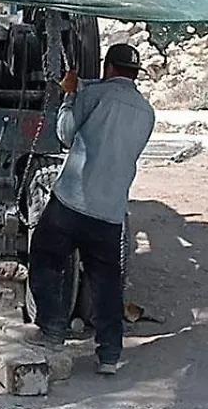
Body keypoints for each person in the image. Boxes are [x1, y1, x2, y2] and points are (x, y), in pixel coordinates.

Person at [26, 43, 155, 375]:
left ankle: (53, 329)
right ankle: (109, 355)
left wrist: (69, 96)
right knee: (107, 285)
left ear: (108, 68)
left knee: (44, 258)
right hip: (110, 211)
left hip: (72, 201)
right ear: (134, 74)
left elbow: (66, 135)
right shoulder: (147, 112)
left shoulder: (95, 96)